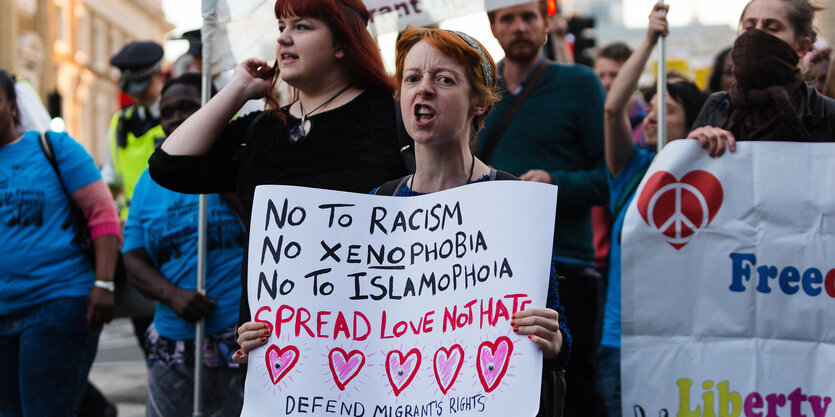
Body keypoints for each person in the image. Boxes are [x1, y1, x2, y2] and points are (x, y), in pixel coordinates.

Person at [236, 25, 572, 417]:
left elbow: (558, 336)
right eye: (412, 78)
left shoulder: (512, 203)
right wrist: (270, 339)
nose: (423, 89)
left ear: (478, 103)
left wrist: (553, 342)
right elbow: (346, 330)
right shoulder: (377, 205)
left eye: (444, 80)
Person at [147, 0, 410, 328]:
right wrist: (238, 89)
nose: (284, 38)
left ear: (343, 43)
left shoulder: (395, 119)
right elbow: (168, 166)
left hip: (374, 336)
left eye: (301, 26)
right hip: (275, 350)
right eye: (281, 27)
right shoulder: (261, 130)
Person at [477, 2, 608, 415]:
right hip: (487, 271)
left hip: (566, 263)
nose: (519, 27)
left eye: (528, 17)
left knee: (574, 391)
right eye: (507, 18)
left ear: (546, 22)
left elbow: (606, 180)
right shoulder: (473, 89)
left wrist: (555, 183)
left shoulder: (581, 84)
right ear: (493, 27)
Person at [600, 4, 717, 416]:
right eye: (649, 108)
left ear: (691, 121)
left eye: (665, 110)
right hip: (623, 342)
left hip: (687, 341)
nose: (651, 118)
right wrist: (649, 40)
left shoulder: (711, 177)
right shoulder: (630, 169)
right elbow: (613, 108)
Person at [0, 69, 121, 416]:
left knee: (47, 409)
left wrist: (104, 283)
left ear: (12, 104)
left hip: (55, 303)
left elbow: (103, 214)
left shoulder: (52, 148)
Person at [123, 73, 245, 417]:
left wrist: (221, 174)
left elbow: (264, 230)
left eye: (189, 107)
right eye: (168, 110)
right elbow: (133, 256)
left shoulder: (240, 165)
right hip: (174, 340)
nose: (177, 117)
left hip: (239, 339)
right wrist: (171, 295)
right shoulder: (149, 179)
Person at [690, 0, 835, 145]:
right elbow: (688, 166)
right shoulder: (717, 107)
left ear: (802, 47)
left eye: (772, 28)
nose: (756, 34)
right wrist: (695, 143)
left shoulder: (825, 113)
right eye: (749, 27)